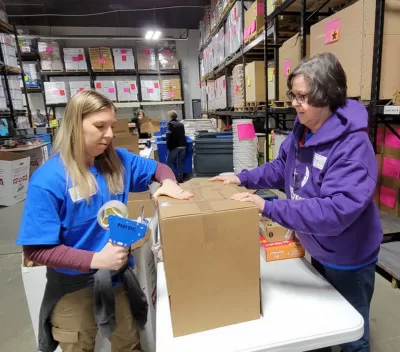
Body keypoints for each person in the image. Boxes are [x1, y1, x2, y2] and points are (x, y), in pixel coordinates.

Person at [211, 53, 382, 352]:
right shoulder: (302, 131)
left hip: (349, 256)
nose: (293, 102)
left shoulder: (352, 146)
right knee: (324, 322)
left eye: (302, 96)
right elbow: (282, 168)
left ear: (327, 96)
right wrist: (243, 178)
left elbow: (334, 211)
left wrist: (267, 207)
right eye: (293, 94)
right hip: (318, 245)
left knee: (352, 332)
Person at [16, 90, 193, 352]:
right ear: (75, 125)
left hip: (117, 280)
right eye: (100, 126)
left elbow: (158, 168)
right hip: (73, 288)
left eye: (111, 125)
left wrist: (167, 182)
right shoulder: (49, 180)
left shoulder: (117, 161)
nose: (109, 134)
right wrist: (95, 260)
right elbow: (36, 249)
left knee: (129, 343)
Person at [166, 110, 188, 183]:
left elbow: (168, 136)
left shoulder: (170, 124)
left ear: (170, 116)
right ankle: (180, 178)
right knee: (180, 162)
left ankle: (173, 178)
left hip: (175, 146)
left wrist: (168, 147)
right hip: (183, 145)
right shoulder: (181, 124)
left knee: (169, 162)